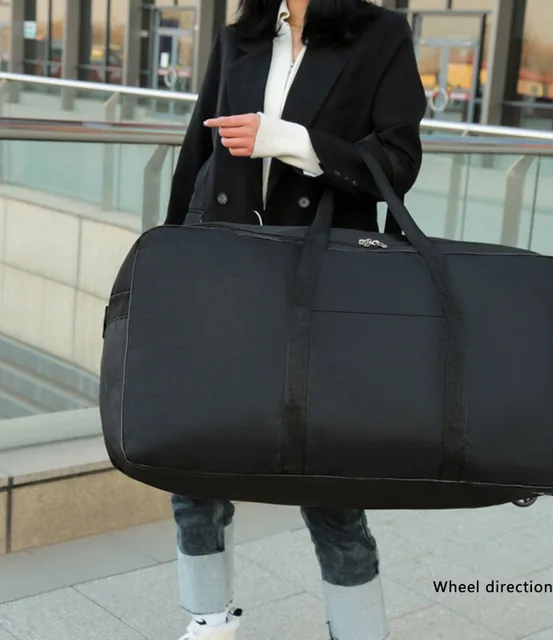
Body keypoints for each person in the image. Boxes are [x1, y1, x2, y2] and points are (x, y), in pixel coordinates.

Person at [164, 0, 426, 637]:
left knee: (327, 478)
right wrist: (169, 259)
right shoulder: (241, 36)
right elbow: (198, 149)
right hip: (226, 271)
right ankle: (209, 618)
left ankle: (357, 630)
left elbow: (399, 160)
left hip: (324, 276)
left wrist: (289, 141)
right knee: (195, 460)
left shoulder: (380, 33)